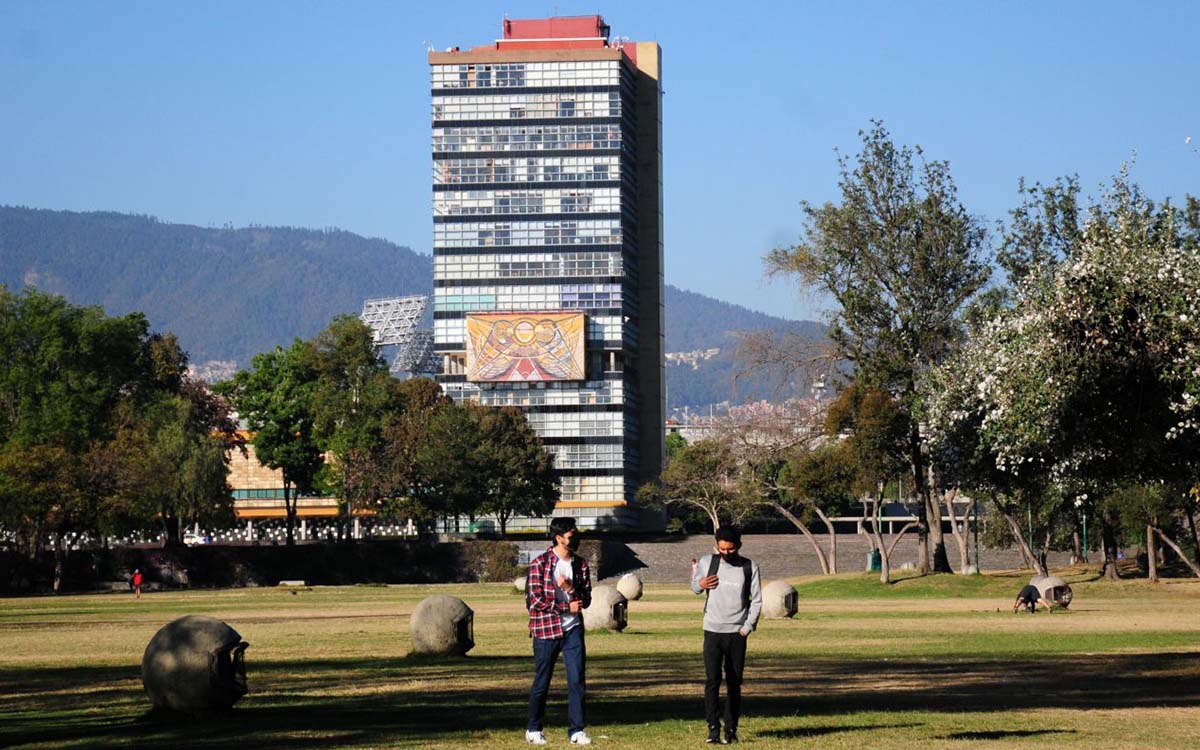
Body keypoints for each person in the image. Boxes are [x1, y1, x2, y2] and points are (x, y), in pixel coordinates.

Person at [524, 517, 593, 746]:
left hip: (572, 629)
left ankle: (577, 730)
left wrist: (570, 589)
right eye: (571, 535)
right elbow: (535, 600)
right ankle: (534, 728)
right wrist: (565, 606)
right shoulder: (540, 564)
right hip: (545, 630)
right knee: (542, 681)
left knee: (576, 680)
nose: (576, 538)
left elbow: (586, 600)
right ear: (559, 538)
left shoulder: (580, 565)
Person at [691, 526, 762, 744]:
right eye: (722, 549)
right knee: (712, 680)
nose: (726, 553)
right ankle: (713, 728)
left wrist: (746, 628)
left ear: (738, 547)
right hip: (712, 630)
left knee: (734, 682)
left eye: (730, 549)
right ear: (716, 546)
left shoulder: (749, 567)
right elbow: (695, 588)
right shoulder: (707, 562)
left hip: (736, 634)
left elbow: (757, 600)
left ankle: (731, 730)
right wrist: (700, 583)